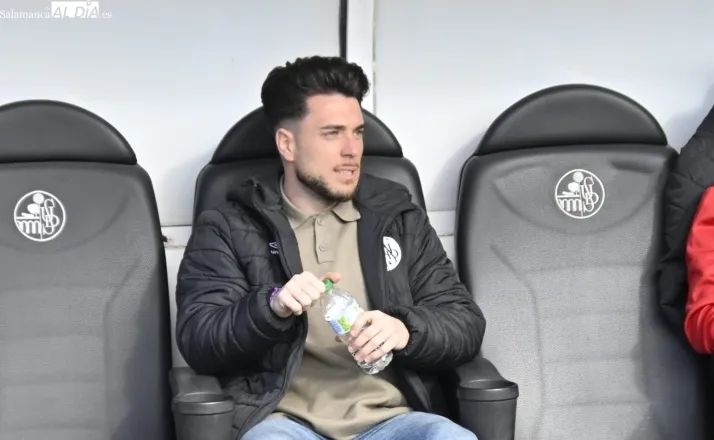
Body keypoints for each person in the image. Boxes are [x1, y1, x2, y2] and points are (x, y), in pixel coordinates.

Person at [175, 55, 486, 440]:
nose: (351, 150)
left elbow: (465, 323)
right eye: (332, 133)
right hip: (283, 425)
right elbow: (200, 339)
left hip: (394, 421)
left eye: (357, 132)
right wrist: (270, 307)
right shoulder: (229, 227)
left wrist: (405, 330)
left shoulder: (397, 216)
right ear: (287, 144)